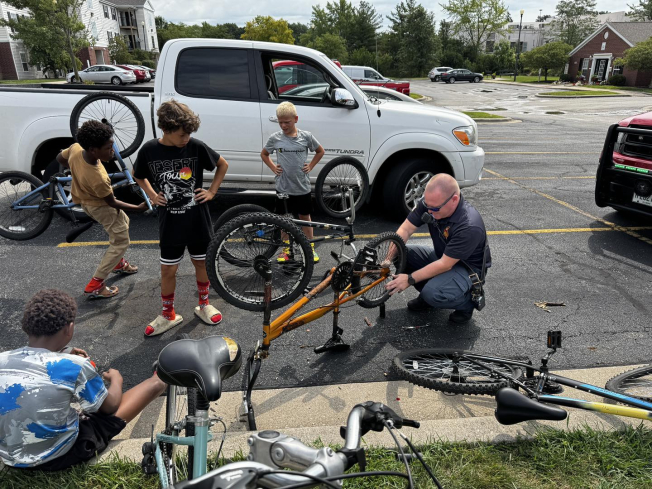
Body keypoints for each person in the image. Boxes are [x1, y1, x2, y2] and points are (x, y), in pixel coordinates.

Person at [0, 289, 167, 470]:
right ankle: (160, 380)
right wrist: (116, 380)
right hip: (57, 455)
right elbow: (110, 406)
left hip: (10, 457)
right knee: (104, 417)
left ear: (27, 326)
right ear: (69, 328)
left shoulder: (3, 359)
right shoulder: (74, 365)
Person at [134, 100, 228, 337]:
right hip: (170, 224)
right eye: (181, 134)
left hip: (198, 220)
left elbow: (222, 165)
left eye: (189, 134)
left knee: (200, 263)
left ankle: (204, 304)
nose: (186, 138)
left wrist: (212, 192)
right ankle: (168, 315)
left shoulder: (195, 146)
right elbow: (138, 175)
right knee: (168, 270)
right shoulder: (149, 150)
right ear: (165, 130)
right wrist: (153, 195)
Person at [56, 120, 147, 299]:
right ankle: (95, 284)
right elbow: (112, 202)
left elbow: (60, 158)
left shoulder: (75, 149)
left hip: (86, 202)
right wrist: (138, 207)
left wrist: (76, 171)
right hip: (101, 207)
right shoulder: (97, 176)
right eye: (108, 148)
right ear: (93, 149)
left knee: (123, 224)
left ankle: (117, 263)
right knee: (121, 241)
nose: (112, 151)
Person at [385, 174, 491, 324]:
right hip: (442, 257)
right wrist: (388, 258)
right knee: (401, 253)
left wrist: (409, 279)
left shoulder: (469, 225)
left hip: (465, 269)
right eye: (427, 206)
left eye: (434, 209)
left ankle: (467, 303)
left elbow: (445, 265)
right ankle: (428, 297)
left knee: (433, 293)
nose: (429, 212)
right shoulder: (431, 203)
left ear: (454, 200)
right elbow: (406, 229)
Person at [261, 101, 325, 263]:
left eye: (287, 122)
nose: (283, 125)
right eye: (280, 122)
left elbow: (320, 151)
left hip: (301, 185)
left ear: (296, 119)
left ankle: (309, 247)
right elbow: (264, 154)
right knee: (284, 218)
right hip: (283, 186)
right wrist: (273, 167)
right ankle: (286, 249)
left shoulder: (306, 137)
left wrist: (310, 165)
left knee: (305, 217)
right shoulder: (275, 138)